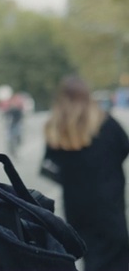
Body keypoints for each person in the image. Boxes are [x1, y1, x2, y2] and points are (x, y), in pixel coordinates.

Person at [44, 75, 129, 271]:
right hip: (109, 202)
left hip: (77, 205)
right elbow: (124, 148)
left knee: (91, 256)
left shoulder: (57, 128)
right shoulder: (106, 124)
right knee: (117, 256)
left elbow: (50, 166)